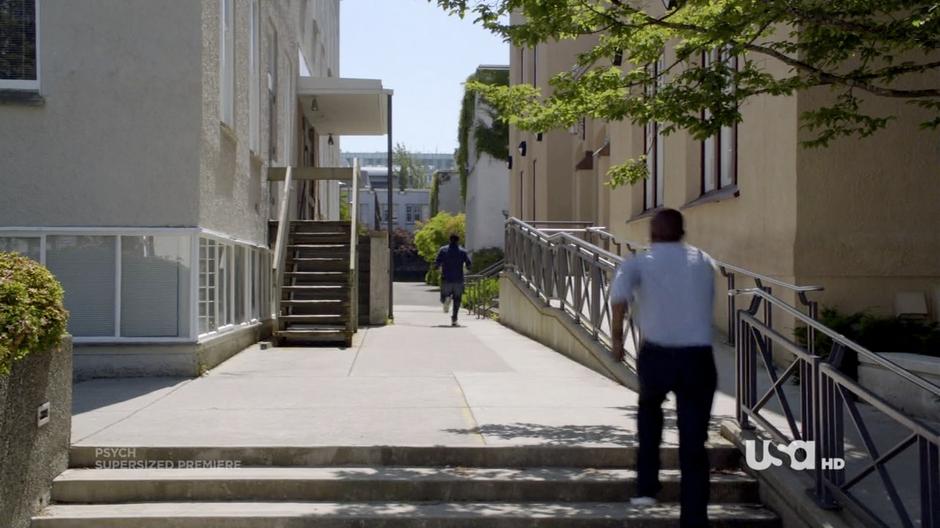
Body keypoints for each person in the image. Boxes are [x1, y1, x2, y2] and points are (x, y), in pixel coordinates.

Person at [609, 208, 717, 528]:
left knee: (649, 416)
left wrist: (617, 341)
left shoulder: (639, 262)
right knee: (694, 441)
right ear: (683, 232)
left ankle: (646, 487)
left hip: (656, 354)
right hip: (698, 356)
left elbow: (618, 300)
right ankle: (694, 517)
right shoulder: (703, 261)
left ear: (652, 234)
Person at [434, 234, 471, 327]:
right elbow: (468, 264)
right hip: (458, 279)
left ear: (449, 240)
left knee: (444, 295)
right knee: (457, 300)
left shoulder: (443, 250)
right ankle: (454, 319)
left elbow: (437, 262)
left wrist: (437, 267)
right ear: (458, 240)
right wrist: (467, 268)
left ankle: (446, 299)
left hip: (446, 278)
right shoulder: (463, 251)